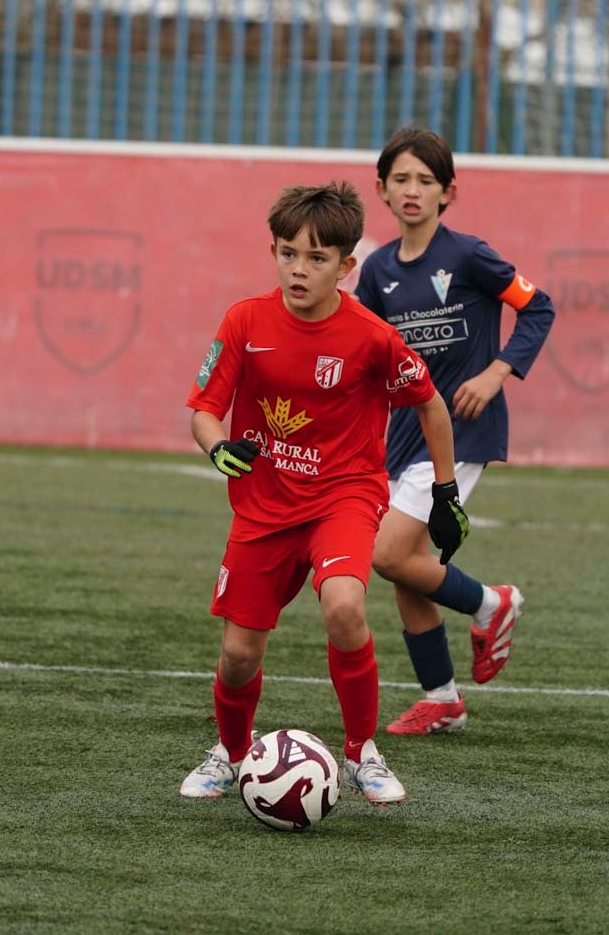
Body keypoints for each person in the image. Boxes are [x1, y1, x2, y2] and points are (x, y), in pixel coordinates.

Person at [179, 181, 470, 806]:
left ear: (346, 266)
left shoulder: (371, 336)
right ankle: (230, 755)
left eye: (316, 258)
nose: (298, 269)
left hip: (344, 496)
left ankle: (362, 752)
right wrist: (217, 446)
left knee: (344, 606)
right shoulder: (244, 321)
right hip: (263, 506)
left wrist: (446, 493)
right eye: (287, 254)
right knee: (237, 654)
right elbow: (204, 409)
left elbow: (432, 406)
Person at [353, 127, 554, 736]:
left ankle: (494, 603)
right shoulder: (378, 271)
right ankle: (443, 699)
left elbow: (537, 304)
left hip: (462, 431)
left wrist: (496, 372)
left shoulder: (469, 255)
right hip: (402, 436)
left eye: (426, 180)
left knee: (387, 554)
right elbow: (362, 350)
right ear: (381, 190)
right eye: (401, 180)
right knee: (406, 564)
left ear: (449, 192)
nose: (413, 191)